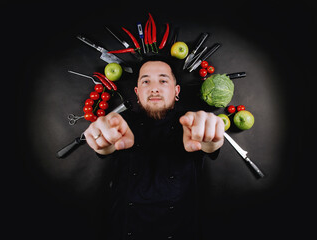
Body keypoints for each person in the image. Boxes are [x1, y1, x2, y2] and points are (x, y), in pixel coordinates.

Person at [84, 55, 225, 240]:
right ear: (137, 92)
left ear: (176, 90)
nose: (154, 88)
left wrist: (211, 136)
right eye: (146, 81)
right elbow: (105, 147)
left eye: (163, 80)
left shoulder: (191, 122)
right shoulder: (121, 123)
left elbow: (209, 145)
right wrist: (101, 141)